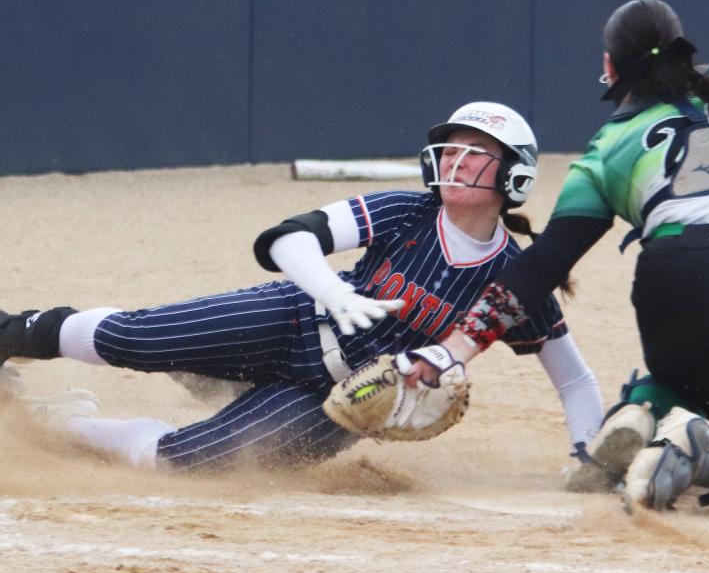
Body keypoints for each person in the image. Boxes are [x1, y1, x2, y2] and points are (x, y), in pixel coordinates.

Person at [404, 0, 709, 513]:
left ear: (610, 68)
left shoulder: (609, 143)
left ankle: (647, 413)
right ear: (683, 47)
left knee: (694, 398)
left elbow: (545, 262)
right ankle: (704, 451)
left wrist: (450, 350)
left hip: (669, 279)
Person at [0, 101, 603, 473]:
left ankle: (61, 425)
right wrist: (334, 292)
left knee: (187, 462)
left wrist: (586, 458)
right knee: (131, 338)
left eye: (477, 154)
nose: (456, 163)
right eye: (452, 150)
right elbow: (286, 239)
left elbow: (574, 379)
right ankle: (8, 333)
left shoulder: (516, 280)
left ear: (515, 176)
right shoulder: (406, 212)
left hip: (335, 404)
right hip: (293, 316)